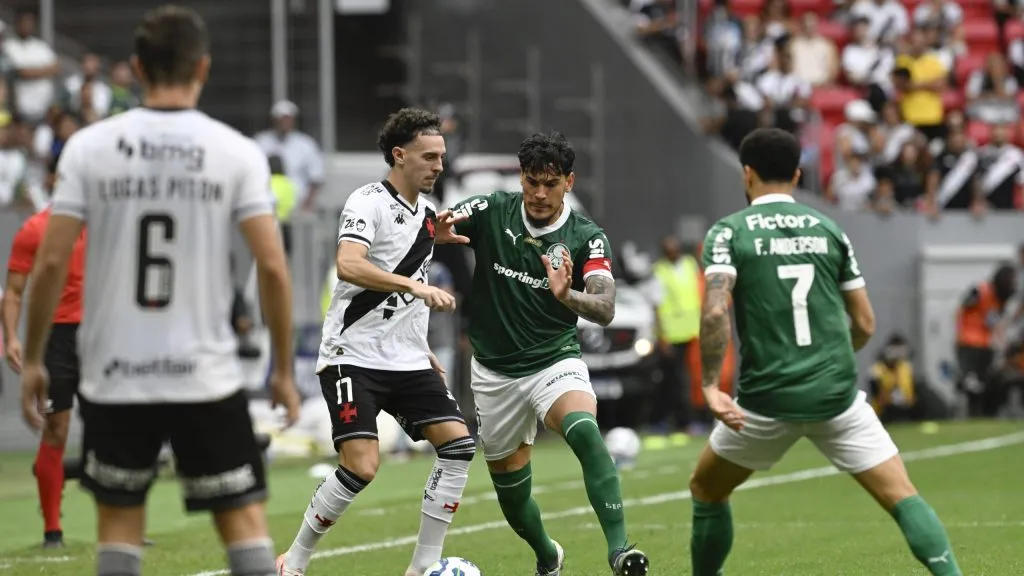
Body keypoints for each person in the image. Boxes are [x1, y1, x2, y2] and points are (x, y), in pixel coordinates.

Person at [18, 6, 300, 576]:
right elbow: (272, 269)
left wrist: (33, 360)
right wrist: (283, 370)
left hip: (117, 376)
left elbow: (50, 262)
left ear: (138, 68)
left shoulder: (89, 149)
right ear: (203, 66)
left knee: (119, 530)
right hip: (204, 374)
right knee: (244, 524)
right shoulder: (235, 151)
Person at [689, 128, 962, 576]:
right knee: (902, 496)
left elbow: (717, 310)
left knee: (706, 488)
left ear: (747, 174)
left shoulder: (728, 232)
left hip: (765, 401)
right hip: (836, 395)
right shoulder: (829, 229)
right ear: (797, 175)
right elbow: (867, 323)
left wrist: (709, 385)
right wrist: (829, 357)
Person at [275, 108, 476, 576]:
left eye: (442, 157)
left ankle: (423, 567)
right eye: (430, 156)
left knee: (459, 446)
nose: (439, 166)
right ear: (399, 155)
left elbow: (411, 270)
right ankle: (295, 560)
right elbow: (349, 264)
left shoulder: (427, 215)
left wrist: (421, 346)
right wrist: (413, 287)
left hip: (406, 358)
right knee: (362, 466)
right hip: (353, 357)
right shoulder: (366, 201)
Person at [449, 132, 650, 576]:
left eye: (551, 183)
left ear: (569, 182)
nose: (540, 193)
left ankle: (620, 551)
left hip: (552, 361)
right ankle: (548, 555)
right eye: (532, 181)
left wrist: (568, 295)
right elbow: (437, 227)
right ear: (521, 178)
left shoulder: (586, 237)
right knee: (514, 499)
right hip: (494, 373)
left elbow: (604, 308)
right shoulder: (491, 209)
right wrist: (434, 233)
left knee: (584, 431)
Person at [2, 155, 85, 549]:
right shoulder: (34, 229)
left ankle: (118, 526)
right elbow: (14, 292)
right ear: (53, 178)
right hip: (56, 336)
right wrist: (12, 338)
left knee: (116, 426)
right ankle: (53, 530)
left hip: (102, 332)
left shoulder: (103, 223)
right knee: (57, 428)